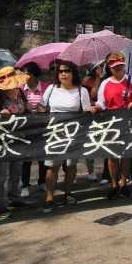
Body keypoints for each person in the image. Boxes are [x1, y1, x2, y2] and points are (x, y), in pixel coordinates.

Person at [39, 60, 92, 212]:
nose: (63, 73)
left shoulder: (82, 91)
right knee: (52, 166)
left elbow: (87, 112)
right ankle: (49, 197)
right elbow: (42, 107)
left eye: (67, 71)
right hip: (54, 133)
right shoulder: (51, 89)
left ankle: (68, 193)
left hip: (74, 134)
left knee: (70, 166)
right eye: (61, 71)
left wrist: (92, 110)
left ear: (73, 73)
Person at [95, 51, 132, 198]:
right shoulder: (105, 83)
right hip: (111, 123)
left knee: (125, 155)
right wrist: (96, 107)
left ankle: (123, 183)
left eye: (121, 66)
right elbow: (101, 103)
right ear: (110, 68)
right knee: (112, 156)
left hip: (128, 122)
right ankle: (114, 184)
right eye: (115, 67)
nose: (118, 70)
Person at [0, 66, 30, 217]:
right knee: (0, 174)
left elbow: (27, 113)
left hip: (18, 139)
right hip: (1, 141)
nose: (14, 87)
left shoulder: (21, 95)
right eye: (11, 84)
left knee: (16, 171)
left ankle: (15, 197)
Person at [21, 63, 48, 196]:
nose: (23, 76)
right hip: (26, 128)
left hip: (42, 126)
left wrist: (42, 110)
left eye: (25, 73)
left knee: (42, 155)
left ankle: (42, 182)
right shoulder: (20, 88)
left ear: (32, 74)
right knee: (26, 157)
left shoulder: (46, 87)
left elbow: (49, 104)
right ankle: (24, 185)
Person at [81, 61, 104, 182]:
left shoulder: (106, 79)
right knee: (91, 142)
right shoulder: (86, 81)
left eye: (101, 66)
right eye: (98, 67)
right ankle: (91, 171)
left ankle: (107, 173)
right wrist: (97, 80)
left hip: (104, 115)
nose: (100, 69)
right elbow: (92, 96)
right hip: (91, 116)